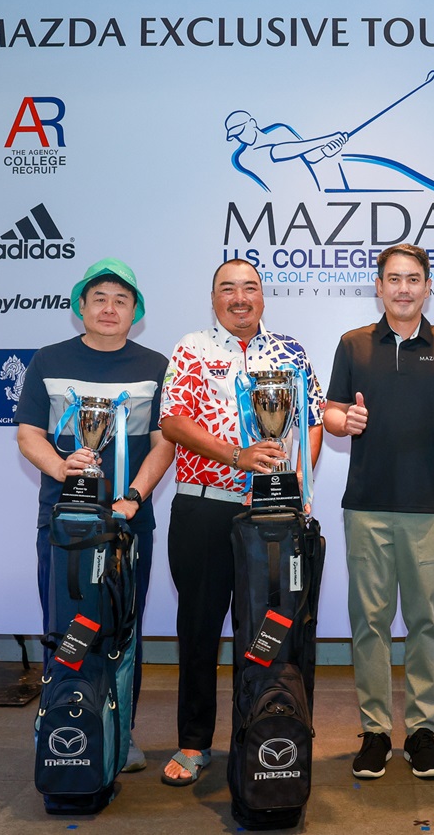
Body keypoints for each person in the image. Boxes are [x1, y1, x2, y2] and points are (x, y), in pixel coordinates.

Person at [158, 258, 324, 786]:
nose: (239, 297)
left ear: (262, 297)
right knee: (200, 628)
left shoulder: (290, 351)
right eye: (227, 288)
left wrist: (299, 484)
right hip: (204, 507)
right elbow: (172, 421)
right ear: (213, 299)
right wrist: (237, 456)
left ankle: (261, 732)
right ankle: (193, 742)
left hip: (271, 513)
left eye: (249, 287)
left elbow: (312, 421)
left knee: (268, 631)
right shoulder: (191, 348)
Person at [15, 257, 174, 773]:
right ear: (80, 307)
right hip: (63, 524)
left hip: (128, 525)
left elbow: (164, 443)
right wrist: (62, 469)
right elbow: (28, 435)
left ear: (135, 311)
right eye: (99, 299)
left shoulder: (155, 366)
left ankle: (119, 732)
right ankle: (60, 723)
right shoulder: (48, 360)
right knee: (62, 626)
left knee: (124, 629)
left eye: (121, 300)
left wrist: (134, 495)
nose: (109, 308)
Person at [323, 243, 434, 781]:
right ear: (379, 286)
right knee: (369, 622)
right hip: (366, 504)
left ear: (428, 286)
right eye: (394, 278)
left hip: (429, 505)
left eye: (413, 279)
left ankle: (421, 732)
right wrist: (343, 422)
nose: (404, 288)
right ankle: (374, 733)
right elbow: (332, 411)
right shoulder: (353, 344)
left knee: (426, 622)